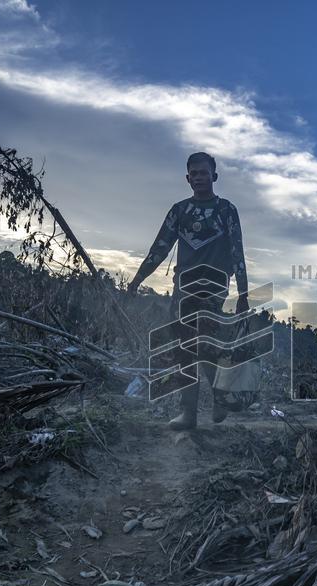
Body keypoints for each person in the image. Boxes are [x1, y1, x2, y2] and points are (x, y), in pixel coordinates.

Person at [128, 152, 249, 430]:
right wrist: (137, 279)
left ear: (214, 176)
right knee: (184, 348)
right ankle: (189, 413)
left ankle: (219, 397)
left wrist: (243, 293)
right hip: (183, 287)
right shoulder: (179, 211)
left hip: (213, 286)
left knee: (203, 342)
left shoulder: (226, 210)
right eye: (193, 174)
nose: (198, 178)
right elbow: (159, 247)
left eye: (203, 173)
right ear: (187, 178)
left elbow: (237, 251)